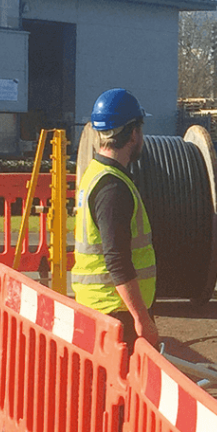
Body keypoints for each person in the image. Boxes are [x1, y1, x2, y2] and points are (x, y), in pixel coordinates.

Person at [72, 88, 159, 346]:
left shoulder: (96, 173)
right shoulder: (112, 188)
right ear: (133, 133)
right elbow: (117, 260)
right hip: (117, 314)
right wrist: (141, 319)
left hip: (102, 310)